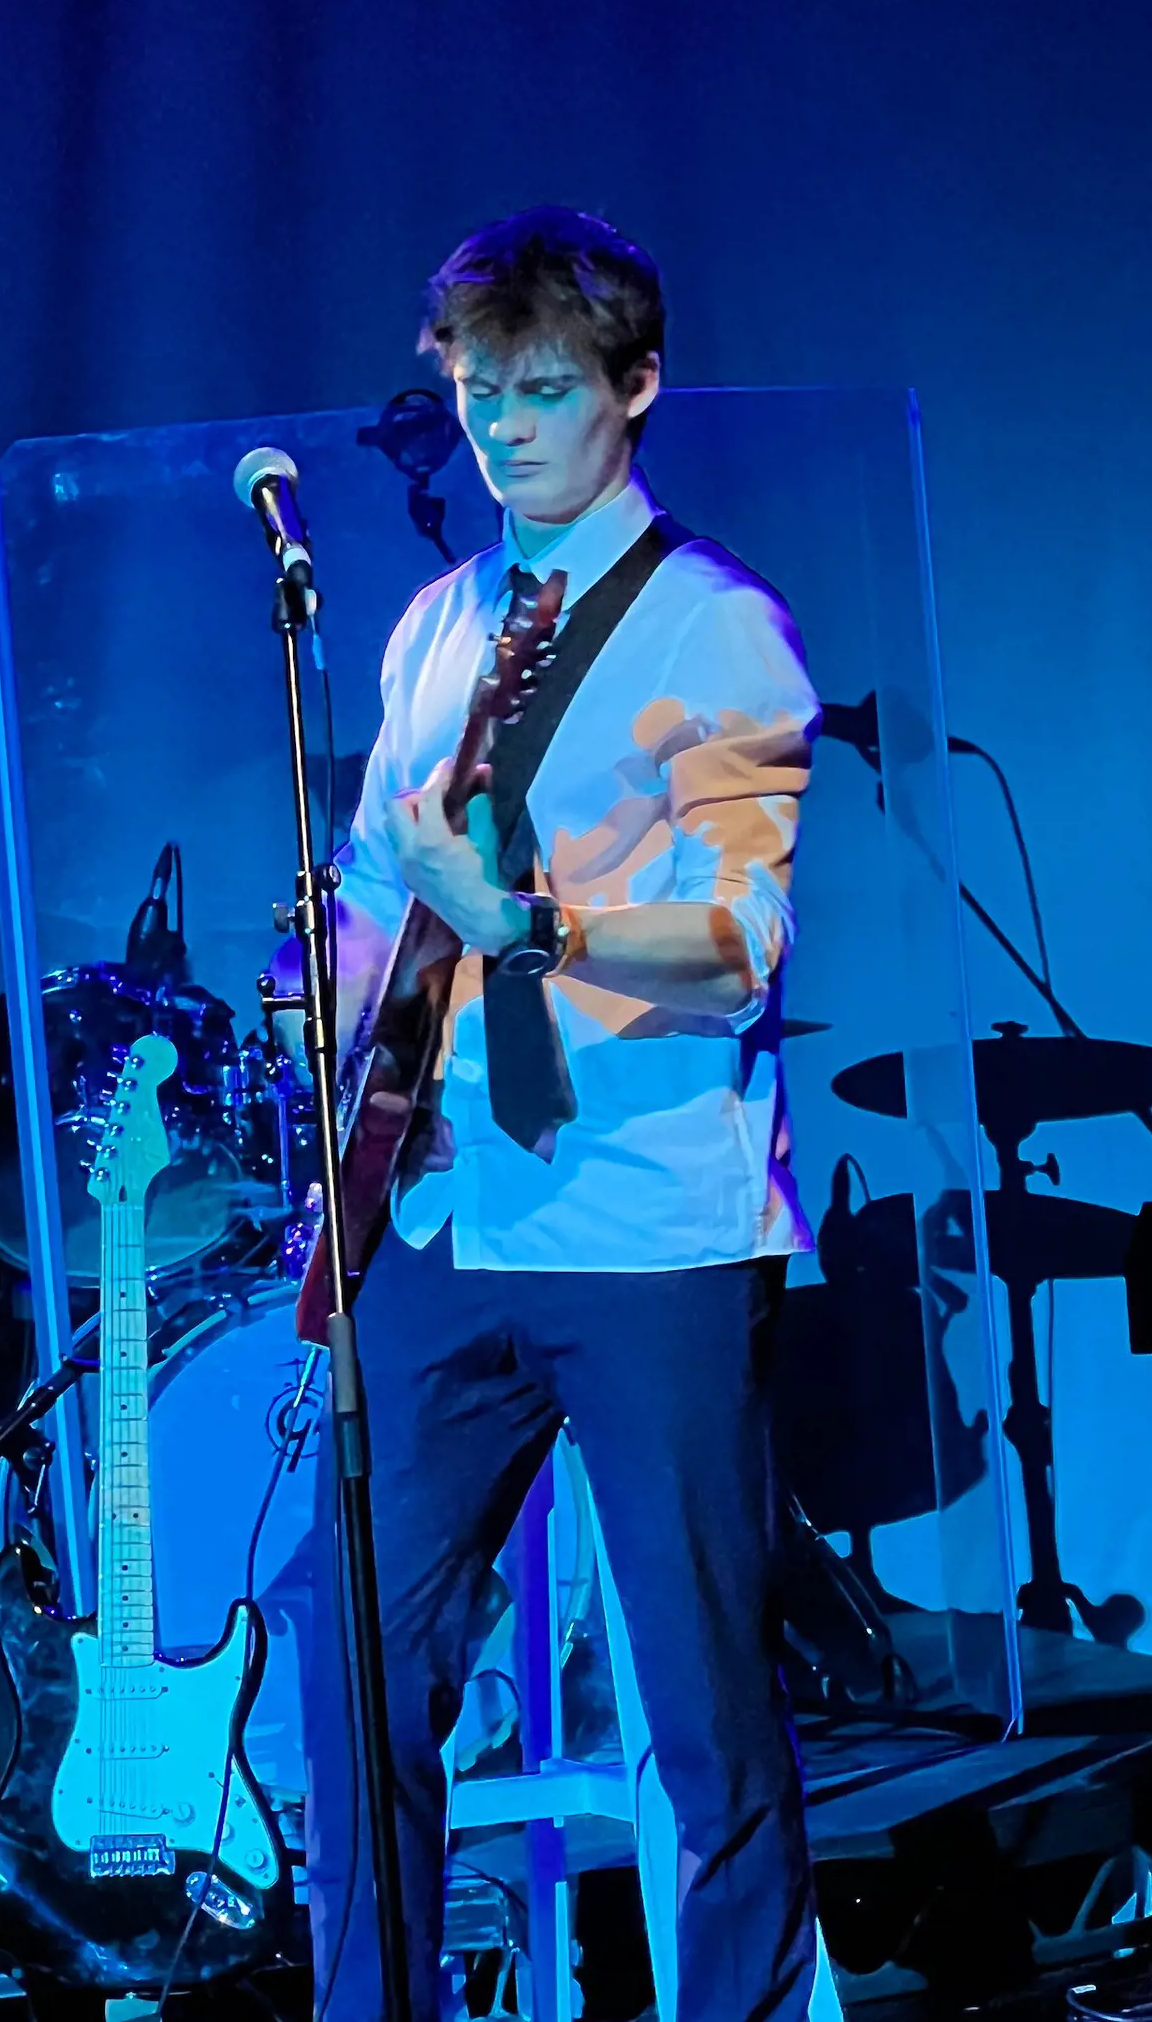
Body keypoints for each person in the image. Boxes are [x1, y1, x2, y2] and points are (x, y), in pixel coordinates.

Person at [301, 208, 820, 2021]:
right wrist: (341, 995)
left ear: (634, 389)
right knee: (345, 1627)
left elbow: (739, 940)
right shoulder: (433, 628)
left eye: (539, 391)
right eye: (474, 390)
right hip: (453, 1218)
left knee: (700, 1700)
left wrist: (532, 922)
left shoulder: (717, 628)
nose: (501, 427)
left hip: (647, 1224)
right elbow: (381, 875)